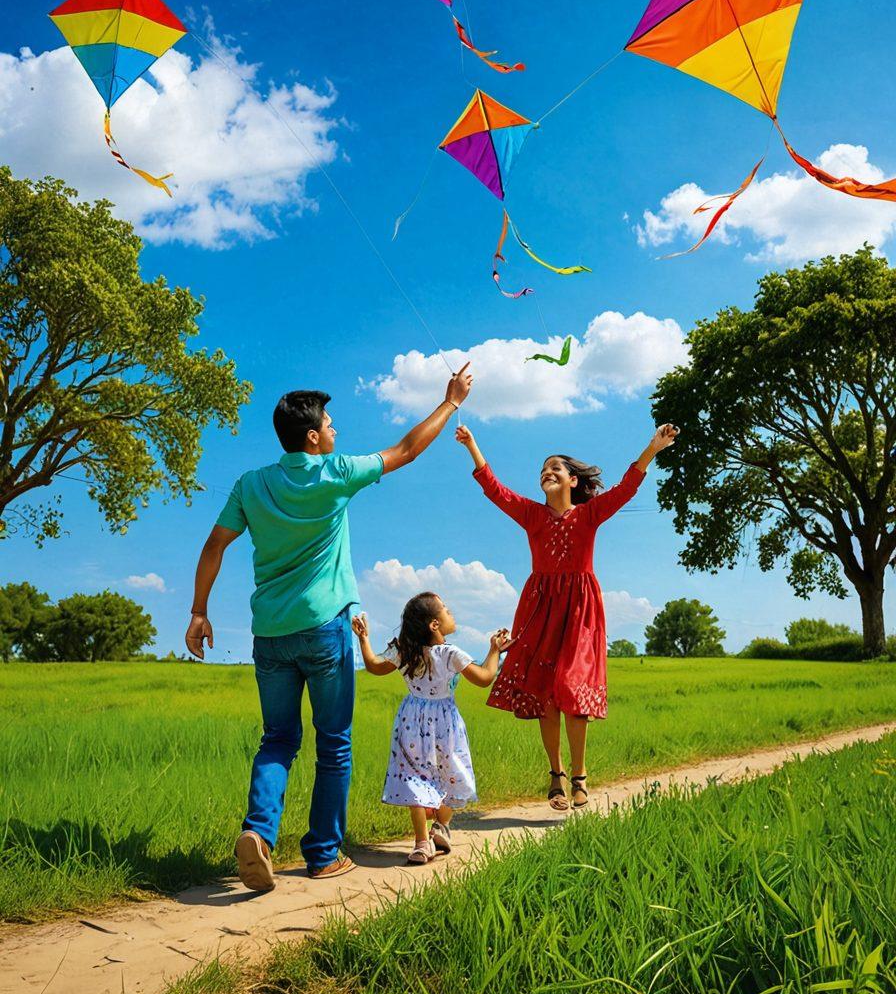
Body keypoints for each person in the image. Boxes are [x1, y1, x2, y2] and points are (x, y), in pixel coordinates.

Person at [184, 365, 474, 891]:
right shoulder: (336, 472)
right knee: (333, 743)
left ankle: (258, 833)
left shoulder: (251, 484)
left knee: (278, 738)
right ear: (313, 437)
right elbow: (407, 450)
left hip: (270, 634)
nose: (336, 429)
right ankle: (322, 854)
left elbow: (213, 545)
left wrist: (198, 611)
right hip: (324, 628)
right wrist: (451, 402)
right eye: (330, 424)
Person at [455, 421, 678, 812]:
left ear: (573, 480)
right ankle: (556, 775)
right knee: (546, 691)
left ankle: (580, 774)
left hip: (579, 609)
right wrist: (472, 445)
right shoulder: (531, 514)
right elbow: (494, 489)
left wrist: (652, 448)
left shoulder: (589, 515)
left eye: (554, 468)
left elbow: (626, 488)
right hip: (540, 608)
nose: (547, 472)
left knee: (571, 687)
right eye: (543, 469)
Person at [352, 594, 510, 864]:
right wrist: (495, 650)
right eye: (446, 609)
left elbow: (374, 667)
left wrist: (364, 638)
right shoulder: (450, 653)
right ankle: (440, 826)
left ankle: (422, 842)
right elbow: (485, 678)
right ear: (434, 625)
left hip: (411, 720)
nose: (451, 613)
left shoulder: (405, 651)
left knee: (415, 778)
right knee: (452, 773)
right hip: (445, 723)